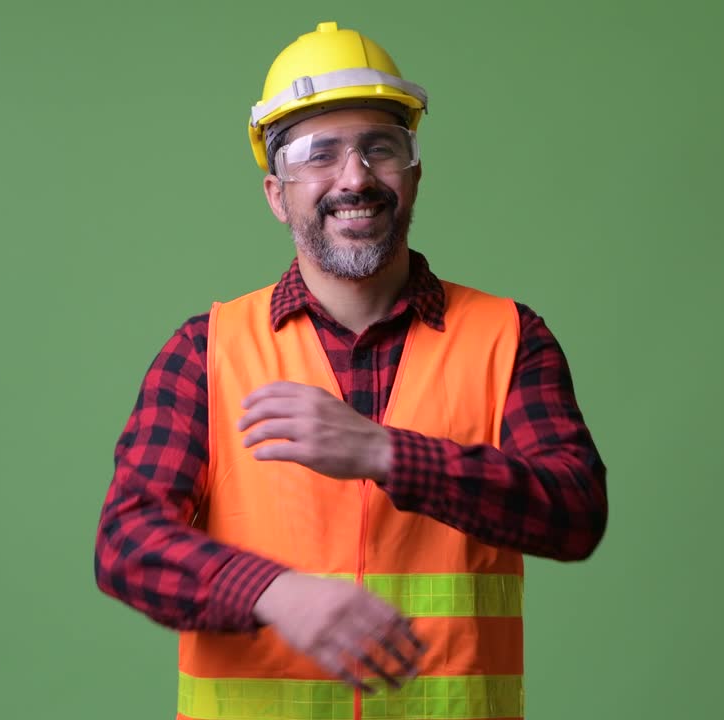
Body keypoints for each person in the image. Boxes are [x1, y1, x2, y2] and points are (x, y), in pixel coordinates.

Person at [95, 21, 608, 720]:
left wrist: (385, 452)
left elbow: (575, 513)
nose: (355, 177)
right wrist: (274, 593)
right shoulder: (206, 351)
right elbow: (126, 542)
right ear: (277, 194)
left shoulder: (509, 338)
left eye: (381, 148)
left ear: (415, 172)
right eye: (319, 154)